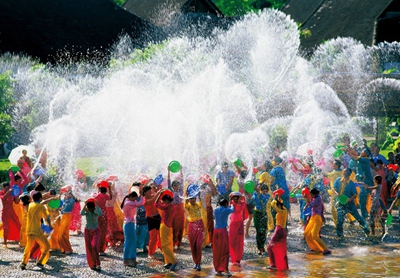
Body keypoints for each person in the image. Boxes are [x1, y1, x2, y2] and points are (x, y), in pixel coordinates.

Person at [333, 168, 370, 238]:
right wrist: (336, 193)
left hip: (350, 204)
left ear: (349, 174)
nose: (344, 173)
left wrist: (350, 199)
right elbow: (334, 188)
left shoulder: (351, 183)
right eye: (343, 171)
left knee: (358, 217)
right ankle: (340, 235)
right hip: (340, 203)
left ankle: (367, 230)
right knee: (340, 220)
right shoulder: (338, 180)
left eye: (345, 172)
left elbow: (355, 194)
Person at [20, 191, 51, 270]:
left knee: (28, 247)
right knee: (46, 246)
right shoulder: (41, 206)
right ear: (40, 198)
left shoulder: (30, 205)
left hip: (29, 230)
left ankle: (23, 263)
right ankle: (40, 262)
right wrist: (50, 225)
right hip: (37, 231)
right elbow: (46, 218)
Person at [121, 186, 145, 267]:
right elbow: (140, 203)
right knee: (128, 242)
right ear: (130, 196)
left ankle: (131, 259)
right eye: (134, 198)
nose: (135, 200)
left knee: (132, 241)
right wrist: (141, 195)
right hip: (129, 224)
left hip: (129, 223)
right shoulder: (128, 203)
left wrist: (140, 195)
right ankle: (127, 259)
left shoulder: (127, 201)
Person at [155, 190, 178, 271]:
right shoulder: (173, 207)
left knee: (164, 246)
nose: (163, 202)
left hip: (164, 226)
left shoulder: (166, 206)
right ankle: (168, 262)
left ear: (166, 201)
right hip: (169, 227)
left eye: (163, 200)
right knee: (169, 245)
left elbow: (156, 204)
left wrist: (158, 195)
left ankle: (173, 261)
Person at [304, 188, 331, 254]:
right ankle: (315, 247)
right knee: (307, 233)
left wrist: (306, 199)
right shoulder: (316, 197)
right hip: (313, 217)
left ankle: (326, 249)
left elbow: (310, 205)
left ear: (315, 194)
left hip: (317, 218)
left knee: (314, 235)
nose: (310, 195)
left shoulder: (317, 199)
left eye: (311, 194)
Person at [267, 191, 289, 271]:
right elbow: (276, 204)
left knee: (270, 247)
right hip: (282, 231)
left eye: (277, 204)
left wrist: (275, 200)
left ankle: (273, 264)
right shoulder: (284, 210)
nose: (276, 206)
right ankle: (283, 266)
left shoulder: (282, 211)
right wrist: (277, 197)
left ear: (279, 205)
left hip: (279, 230)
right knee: (282, 249)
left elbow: (273, 205)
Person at [184, 188, 204, 271]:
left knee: (198, 244)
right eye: (191, 199)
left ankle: (198, 263)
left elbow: (201, 200)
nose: (192, 200)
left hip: (200, 224)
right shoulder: (188, 206)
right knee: (193, 245)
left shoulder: (198, 204)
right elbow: (185, 203)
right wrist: (186, 195)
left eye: (194, 198)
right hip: (192, 226)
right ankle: (195, 262)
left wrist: (198, 194)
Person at [213, 197, 234, 277]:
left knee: (217, 250)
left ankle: (218, 269)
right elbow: (233, 209)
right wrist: (231, 202)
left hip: (216, 231)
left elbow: (213, 216)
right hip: (222, 231)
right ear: (225, 204)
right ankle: (225, 269)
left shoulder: (215, 210)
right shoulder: (226, 210)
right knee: (225, 250)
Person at [80, 198, 102, 271]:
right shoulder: (87, 212)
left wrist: (97, 204)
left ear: (94, 207)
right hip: (88, 231)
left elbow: (101, 213)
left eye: (92, 209)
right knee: (89, 247)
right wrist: (85, 205)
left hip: (96, 231)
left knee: (94, 246)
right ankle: (93, 264)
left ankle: (98, 263)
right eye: (89, 209)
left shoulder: (96, 211)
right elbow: (81, 213)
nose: (91, 210)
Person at [142, 185, 162, 259]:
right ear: (145, 193)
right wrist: (158, 193)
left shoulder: (153, 195)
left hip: (157, 217)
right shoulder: (144, 200)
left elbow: (158, 198)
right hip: (150, 219)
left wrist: (159, 190)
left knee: (160, 235)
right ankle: (150, 253)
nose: (150, 192)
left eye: (150, 190)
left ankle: (160, 248)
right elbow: (151, 201)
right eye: (148, 191)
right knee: (153, 236)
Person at [167, 165, 184, 250]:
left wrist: (181, 170)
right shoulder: (170, 191)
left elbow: (182, 180)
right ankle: (173, 242)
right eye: (175, 186)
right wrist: (169, 171)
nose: (177, 187)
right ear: (173, 186)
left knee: (181, 225)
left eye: (178, 185)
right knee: (174, 226)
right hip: (173, 210)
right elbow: (168, 182)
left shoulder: (181, 191)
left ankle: (179, 243)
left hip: (180, 209)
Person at [229, 192, 247, 266]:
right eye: (234, 198)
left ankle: (238, 259)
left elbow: (243, 201)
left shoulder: (242, 204)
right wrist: (230, 198)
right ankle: (233, 258)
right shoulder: (232, 203)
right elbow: (230, 204)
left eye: (237, 198)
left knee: (239, 242)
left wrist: (241, 197)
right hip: (233, 224)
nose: (236, 200)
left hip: (240, 224)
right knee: (232, 241)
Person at [0, 181, 21, 247]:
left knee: (18, 224)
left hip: (12, 211)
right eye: (6, 188)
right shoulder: (1, 192)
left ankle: (21, 239)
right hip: (5, 212)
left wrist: (17, 195)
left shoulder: (12, 193)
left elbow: (17, 202)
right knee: (6, 227)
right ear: (3, 188)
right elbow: (3, 198)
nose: (7, 189)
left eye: (8, 188)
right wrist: (8, 192)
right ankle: (5, 242)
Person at [93, 180, 111, 256]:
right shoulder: (106, 196)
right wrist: (109, 188)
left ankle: (95, 247)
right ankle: (101, 249)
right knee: (103, 231)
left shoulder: (97, 196)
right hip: (104, 213)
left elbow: (96, 196)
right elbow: (110, 197)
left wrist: (98, 188)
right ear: (106, 191)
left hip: (97, 213)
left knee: (97, 230)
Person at [251, 183, 270, 255]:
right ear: (261, 190)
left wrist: (259, 193)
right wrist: (255, 193)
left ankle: (262, 245)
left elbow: (263, 201)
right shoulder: (255, 194)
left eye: (266, 191)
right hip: (257, 213)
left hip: (264, 213)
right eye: (263, 191)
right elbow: (253, 201)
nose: (265, 192)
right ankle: (259, 248)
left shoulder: (267, 196)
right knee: (258, 230)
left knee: (264, 230)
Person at [58, 190, 75, 254]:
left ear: (71, 194)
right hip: (63, 216)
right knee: (61, 233)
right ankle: (64, 249)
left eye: (67, 194)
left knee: (63, 233)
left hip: (68, 216)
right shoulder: (65, 199)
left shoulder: (72, 200)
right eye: (65, 194)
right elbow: (59, 204)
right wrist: (60, 195)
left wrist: (65, 198)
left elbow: (69, 204)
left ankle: (67, 249)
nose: (66, 195)